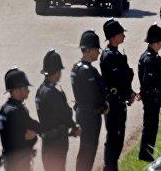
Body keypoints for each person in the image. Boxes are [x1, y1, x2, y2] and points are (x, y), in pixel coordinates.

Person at [100, 18, 136, 171]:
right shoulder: (110, 56)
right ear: (113, 36)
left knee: (118, 137)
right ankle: (110, 167)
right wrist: (127, 90)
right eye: (121, 33)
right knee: (114, 137)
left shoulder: (115, 54)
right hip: (114, 103)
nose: (124, 36)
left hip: (119, 102)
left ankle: (112, 166)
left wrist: (130, 93)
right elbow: (119, 79)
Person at [71, 30, 107, 171]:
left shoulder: (77, 68)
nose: (98, 52)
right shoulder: (87, 71)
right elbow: (94, 94)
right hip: (90, 115)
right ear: (89, 50)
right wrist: (104, 106)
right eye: (96, 49)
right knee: (88, 150)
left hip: (83, 113)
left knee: (86, 150)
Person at [35, 49, 77, 171]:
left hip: (48, 141)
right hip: (57, 142)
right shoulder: (53, 92)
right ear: (57, 72)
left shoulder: (40, 90)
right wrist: (74, 126)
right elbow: (64, 114)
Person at [0, 67, 41, 171]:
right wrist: (34, 135)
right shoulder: (16, 111)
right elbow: (34, 128)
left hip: (11, 161)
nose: (28, 90)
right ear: (17, 90)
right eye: (25, 87)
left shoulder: (4, 109)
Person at [137, 24, 161, 162]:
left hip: (151, 96)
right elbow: (147, 80)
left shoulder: (147, 56)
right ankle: (146, 154)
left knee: (151, 125)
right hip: (151, 98)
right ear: (155, 42)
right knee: (150, 126)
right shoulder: (151, 59)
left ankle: (147, 153)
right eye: (160, 42)